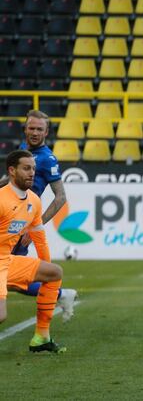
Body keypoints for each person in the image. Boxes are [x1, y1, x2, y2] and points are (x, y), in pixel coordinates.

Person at [0, 110, 77, 321]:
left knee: (9, 276)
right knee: (12, 278)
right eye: (31, 128)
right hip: (8, 218)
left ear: (46, 132)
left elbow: (60, 197)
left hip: (19, 224)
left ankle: (60, 294)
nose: (34, 132)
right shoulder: (23, 150)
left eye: (39, 129)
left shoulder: (47, 159)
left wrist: (35, 226)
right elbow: (9, 180)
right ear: (25, 129)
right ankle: (62, 294)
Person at [1, 150, 67, 352]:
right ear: (12, 171)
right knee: (1, 315)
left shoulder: (34, 201)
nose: (32, 174)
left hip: (7, 261)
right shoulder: (2, 199)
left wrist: (44, 267)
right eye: (26, 168)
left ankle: (41, 338)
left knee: (54, 272)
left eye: (34, 169)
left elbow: (39, 237)